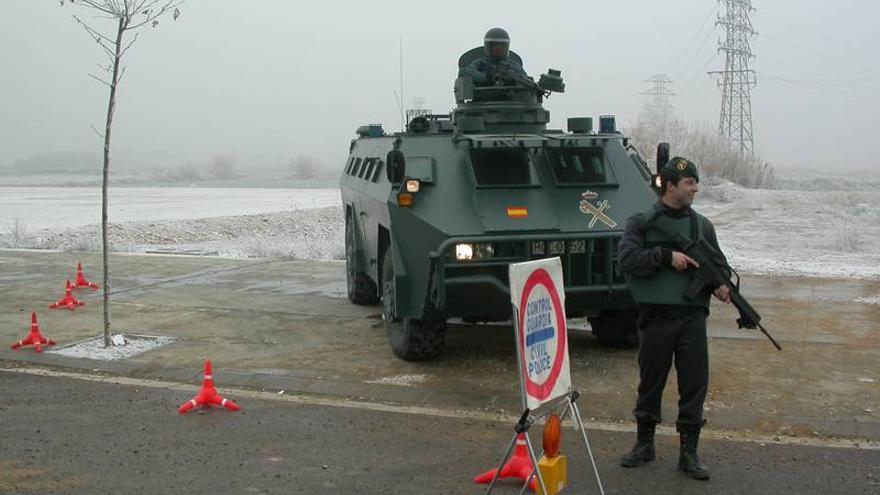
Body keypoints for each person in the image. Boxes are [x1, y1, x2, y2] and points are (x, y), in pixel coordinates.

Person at [616, 157, 732, 480]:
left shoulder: (701, 226)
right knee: (650, 383)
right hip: (657, 318)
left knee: (694, 384)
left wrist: (722, 286)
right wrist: (666, 257)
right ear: (670, 186)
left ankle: (689, 452)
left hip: (692, 318)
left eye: (695, 182)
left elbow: (719, 266)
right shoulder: (641, 222)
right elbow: (626, 259)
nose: (695, 188)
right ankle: (644, 445)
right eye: (689, 183)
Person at [458, 27, 532, 87]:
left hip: (511, 101)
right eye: (495, 46)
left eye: (501, 46)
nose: (498, 49)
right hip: (483, 101)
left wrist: (510, 79)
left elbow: (525, 79)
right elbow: (463, 72)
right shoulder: (481, 63)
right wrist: (486, 78)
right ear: (489, 47)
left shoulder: (513, 66)